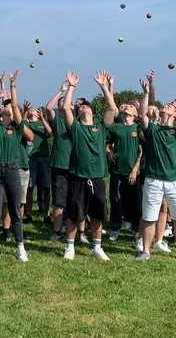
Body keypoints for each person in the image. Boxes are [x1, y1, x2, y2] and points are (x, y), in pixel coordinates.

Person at [136, 80, 176, 265]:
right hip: (153, 180)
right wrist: (146, 92)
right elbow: (142, 115)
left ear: (174, 114)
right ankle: (146, 251)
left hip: (175, 181)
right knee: (149, 217)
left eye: (171, 106)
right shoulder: (154, 129)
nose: (167, 106)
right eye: (167, 105)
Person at [61, 71, 114, 261]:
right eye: (81, 107)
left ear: (92, 111)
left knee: (98, 214)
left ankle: (97, 247)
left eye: (87, 106)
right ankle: (69, 247)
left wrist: (103, 87)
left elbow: (112, 108)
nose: (85, 107)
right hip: (78, 177)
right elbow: (66, 107)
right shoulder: (75, 127)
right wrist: (72, 87)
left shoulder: (100, 126)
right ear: (79, 112)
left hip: (98, 177)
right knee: (74, 214)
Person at [0, 68, 32, 264]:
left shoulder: (18, 127)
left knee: (15, 209)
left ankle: (20, 246)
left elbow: (14, 104)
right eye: (7, 108)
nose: (9, 108)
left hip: (13, 170)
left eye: (12, 109)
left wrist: (13, 85)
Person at [106, 101, 143, 242]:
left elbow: (141, 152)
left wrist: (135, 169)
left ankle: (136, 230)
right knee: (116, 201)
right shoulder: (116, 127)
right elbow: (107, 143)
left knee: (135, 203)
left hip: (133, 173)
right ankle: (114, 229)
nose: (128, 106)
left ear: (135, 114)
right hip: (117, 171)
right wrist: (109, 152)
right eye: (126, 107)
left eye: (131, 107)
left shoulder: (138, 127)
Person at [45, 82, 73, 241]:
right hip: (59, 165)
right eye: (62, 102)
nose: (64, 105)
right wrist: (61, 91)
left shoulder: (75, 121)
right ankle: (56, 231)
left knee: (73, 200)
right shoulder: (58, 120)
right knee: (59, 201)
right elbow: (49, 108)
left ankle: (74, 230)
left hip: (75, 166)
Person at [23, 105, 53, 223]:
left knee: (46, 187)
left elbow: (50, 133)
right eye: (31, 110)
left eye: (34, 109)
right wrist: (25, 112)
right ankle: (28, 214)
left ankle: (46, 214)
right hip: (31, 159)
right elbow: (21, 125)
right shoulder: (27, 123)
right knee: (29, 187)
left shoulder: (42, 123)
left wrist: (43, 119)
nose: (33, 110)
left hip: (44, 158)